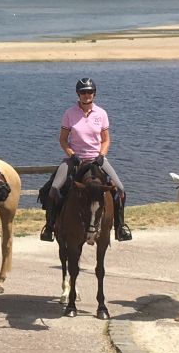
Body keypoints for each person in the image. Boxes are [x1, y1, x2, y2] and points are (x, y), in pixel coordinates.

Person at [40, 77, 132, 242]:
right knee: (53, 188)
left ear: (94, 94)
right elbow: (63, 139)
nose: (86, 95)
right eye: (83, 92)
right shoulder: (69, 113)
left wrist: (101, 155)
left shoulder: (101, 113)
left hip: (97, 159)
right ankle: (49, 227)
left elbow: (106, 139)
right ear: (78, 94)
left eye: (89, 92)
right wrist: (71, 155)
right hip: (75, 159)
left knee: (120, 188)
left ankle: (120, 227)